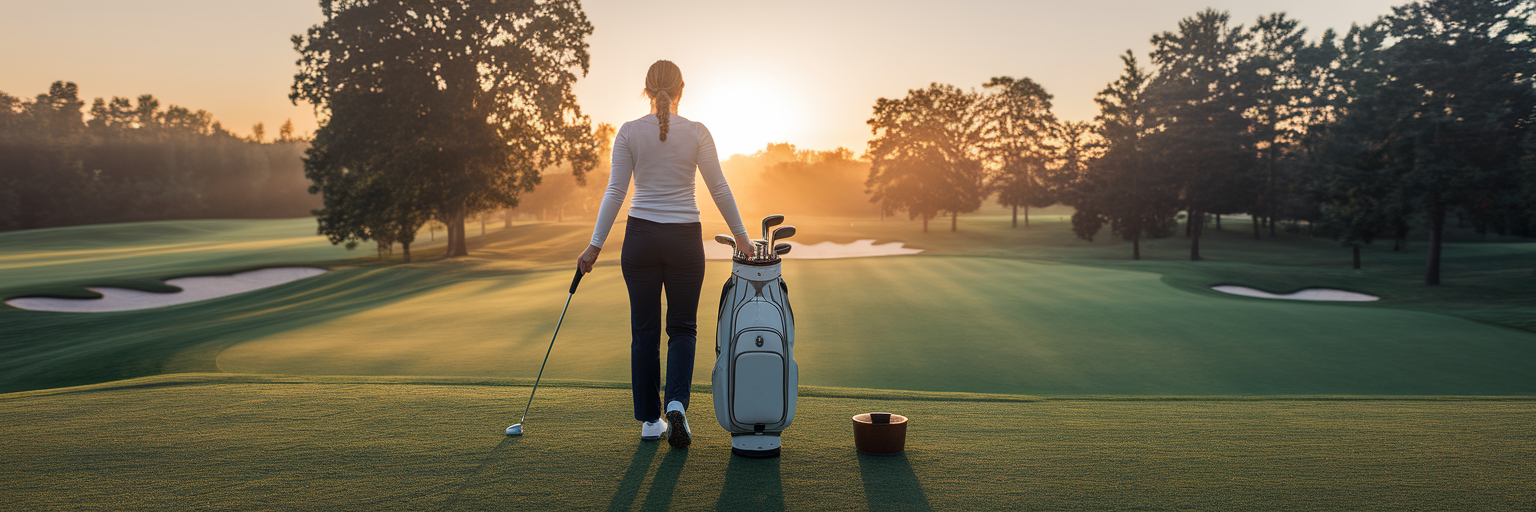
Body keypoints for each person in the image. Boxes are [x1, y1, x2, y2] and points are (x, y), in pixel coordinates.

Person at [578, 60, 753, 449]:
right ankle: (676, 402)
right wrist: (741, 237)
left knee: (644, 333)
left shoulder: (627, 132)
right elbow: (719, 188)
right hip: (684, 241)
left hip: (639, 238)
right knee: (683, 328)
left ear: (646, 89)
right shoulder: (697, 132)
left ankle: (649, 422)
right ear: (681, 90)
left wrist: (594, 246)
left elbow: (615, 193)